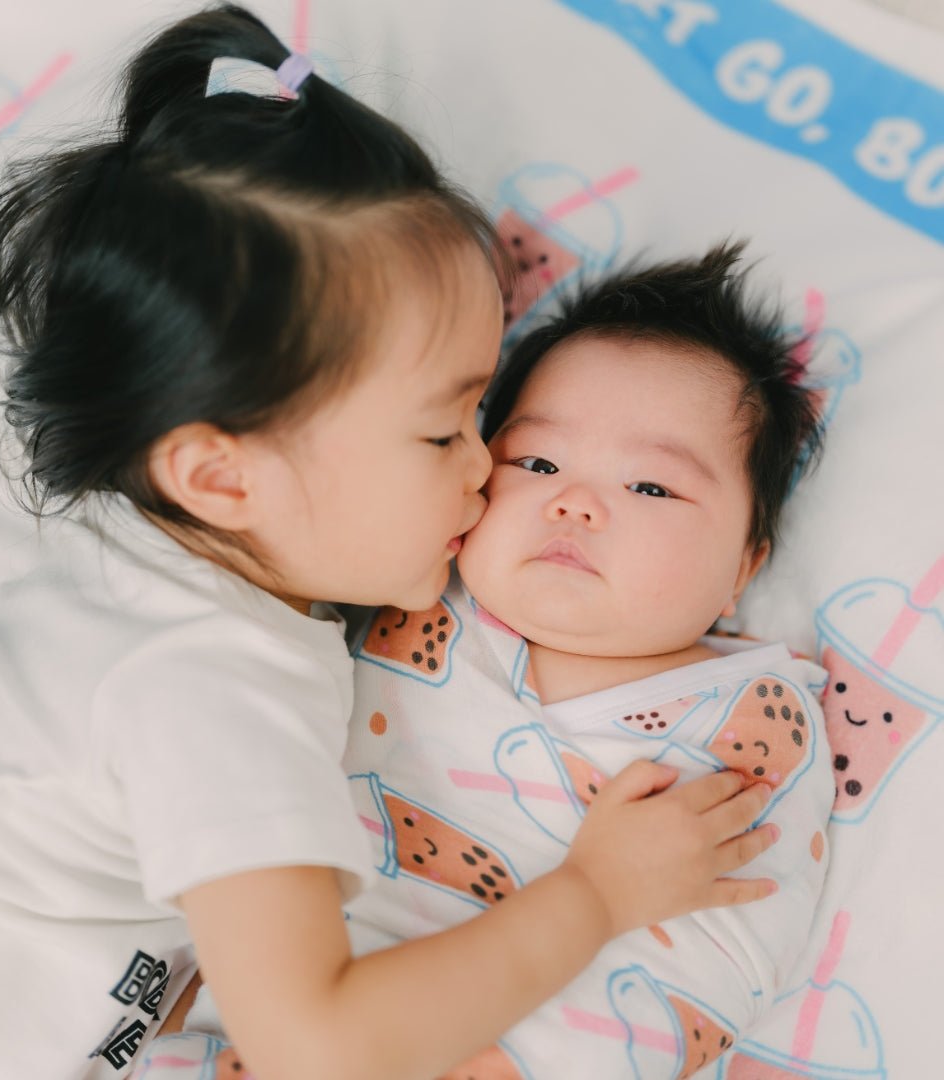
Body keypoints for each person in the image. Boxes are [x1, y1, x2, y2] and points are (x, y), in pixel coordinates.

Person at [0, 3, 779, 1075]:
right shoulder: (204, 684)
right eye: (445, 429)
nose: (484, 469)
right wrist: (595, 895)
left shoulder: (169, 565)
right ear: (221, 474)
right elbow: (321, 1045)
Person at [143, 241, 831, 1080]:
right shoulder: (416, 586)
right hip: (251, 1021)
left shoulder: (750, 718)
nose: (573, 501)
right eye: (536, 463)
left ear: (743, 569)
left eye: (651, 488)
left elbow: (721, 958)